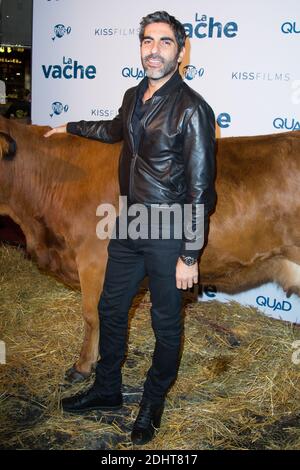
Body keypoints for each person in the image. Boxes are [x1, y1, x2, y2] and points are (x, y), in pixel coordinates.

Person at [45, 11, 216, 445]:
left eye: (163, 42)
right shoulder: (132, 95)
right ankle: (106, 391)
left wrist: (189, 254)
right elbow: (117, 129)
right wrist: (73, 127)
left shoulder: (192, 109)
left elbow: (201, 190)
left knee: (165, 324)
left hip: (169, 230)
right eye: (146, 41)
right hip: (130, 222)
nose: (153, 50)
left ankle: (152, 403)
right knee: (109, 309)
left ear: (180, 51)